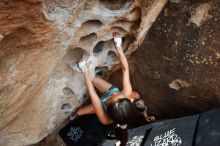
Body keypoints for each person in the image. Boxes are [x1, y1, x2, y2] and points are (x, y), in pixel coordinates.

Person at [70, 32, 155, 145]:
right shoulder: (126, 93)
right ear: (125, 99)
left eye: (112, 99)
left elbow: (92, 92)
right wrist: (118, 46)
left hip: (101, 105)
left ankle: (76, 113)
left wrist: (84, 70)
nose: (114, 95)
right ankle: (91, 75)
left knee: (80, 112)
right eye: (118, 96)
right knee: (93, 78)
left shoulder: (105, 119)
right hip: (109, 92)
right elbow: (125, 69)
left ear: (109, 109)